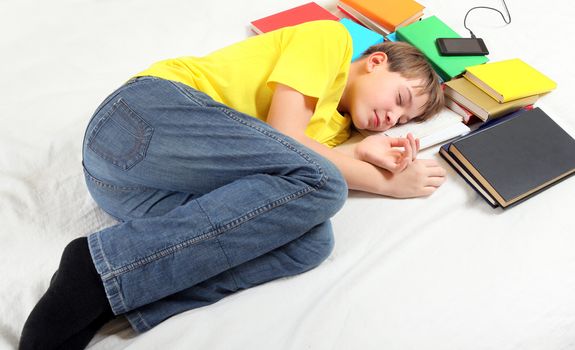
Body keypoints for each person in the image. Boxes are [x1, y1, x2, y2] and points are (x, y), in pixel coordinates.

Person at [19, 20, 445, 349]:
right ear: (376, 62)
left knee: (311, 241)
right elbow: (287, 137)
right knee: (325, 187)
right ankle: (94, 271)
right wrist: (387, 183)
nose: (392, 119)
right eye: (399, 100)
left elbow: (287, 160)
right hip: (139, 120)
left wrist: (361, 151)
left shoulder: (333, 132)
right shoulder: (329, 41)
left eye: (402, 121)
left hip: (130, 189)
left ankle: (120, 292)